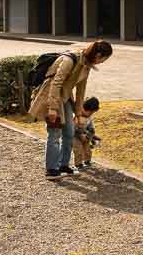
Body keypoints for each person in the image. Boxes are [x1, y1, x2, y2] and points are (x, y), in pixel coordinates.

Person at [29, 40, 113, 180]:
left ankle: (63, 165)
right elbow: (56, 83)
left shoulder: (87, 65)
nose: (103, 62)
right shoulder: (69, 60)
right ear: (98, 55)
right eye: (104, 59)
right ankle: (51, 169)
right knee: (55, 133)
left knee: (69, 132)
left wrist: (79, 113)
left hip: (66, 97)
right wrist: (53, 108)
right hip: (51, 95)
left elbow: (81, 90)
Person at [73, 97, 100, 169]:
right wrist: (80, 134)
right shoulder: (77, 115)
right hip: (75, 136)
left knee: (87, 149)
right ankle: (78, 164)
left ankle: (87, 161)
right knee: (78, 150)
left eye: (92, 113)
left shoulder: (89, 117)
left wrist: (90, 136)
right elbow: (74, 127)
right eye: (90, 112)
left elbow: (91, 128)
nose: (91, 114)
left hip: (85, 135)